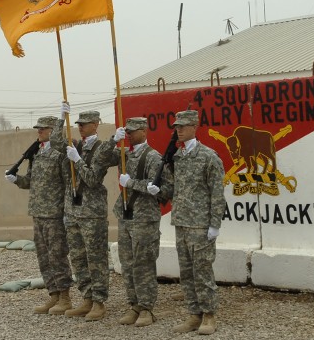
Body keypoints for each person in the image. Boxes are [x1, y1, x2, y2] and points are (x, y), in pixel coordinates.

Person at [148, 110, 226, 335]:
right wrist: (159, 190)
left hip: (201, 225)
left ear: (194, 126)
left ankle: (209, 315)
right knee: (187, 272)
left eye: (182, 126)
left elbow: (217, 193)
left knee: (202, 271)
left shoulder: (208, 156)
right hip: (182, 222)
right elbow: (175, 189)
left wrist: (215, 224)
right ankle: (194, 314)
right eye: (176, 126)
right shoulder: (178, 157)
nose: (178, 130)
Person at [95, 117, 169, 327]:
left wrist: (133, 183)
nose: (129, 135)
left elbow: (164, 188)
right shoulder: (124, 154)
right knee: (127, 263)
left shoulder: (155, 158)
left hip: (145, 217)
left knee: (143, 263)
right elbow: (99, 160)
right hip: (126, 215)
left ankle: (146, 308)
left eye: (133, 131)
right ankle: (134, 304)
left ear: (144, 131)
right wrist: (112, 140)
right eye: (127, 131)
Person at [4, 116, 73, 315]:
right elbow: (31, 181)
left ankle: (65, 297)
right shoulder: (38, 153)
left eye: (42, 129)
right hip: (38, 212)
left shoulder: (61, 154)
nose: (39, 132)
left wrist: (67, 212)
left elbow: (69, 184)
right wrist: (16, 179)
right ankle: (53, 295)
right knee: (43, 257)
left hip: (55, 214)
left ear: (53, 130)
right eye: (38, 129)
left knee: (57, 255)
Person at [51, 104, 110, 322]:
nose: (80, 128)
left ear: (96, 125)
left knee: (96, 258)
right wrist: (61, 118)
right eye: (78, 125)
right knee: (78, 257)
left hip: (92, 212)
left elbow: (93, 179)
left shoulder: (101, 149)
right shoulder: (74, 145)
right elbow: (56, 141)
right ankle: (86, 297)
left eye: (84, 125)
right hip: (73, 211)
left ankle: (99, 301)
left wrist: (78, 160)